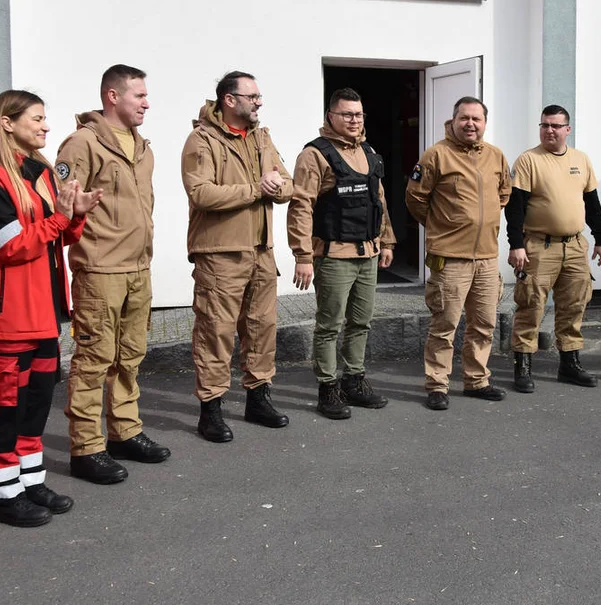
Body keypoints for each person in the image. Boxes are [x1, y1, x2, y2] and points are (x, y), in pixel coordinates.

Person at [0, 90, 103, 526]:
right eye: (37, 119)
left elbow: (56, 239)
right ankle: (2, 497)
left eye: (46, 119)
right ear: (8, 123)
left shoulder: (39, 172)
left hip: (43, 314)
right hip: (8, 321)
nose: (45, 127)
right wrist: (61, 218)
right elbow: (12, 246)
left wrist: (74, 215)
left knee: (36, 404)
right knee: (6, 408)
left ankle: (29, 480)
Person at [55, 65, 169, 485]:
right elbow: (62, 204)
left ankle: (125, 432)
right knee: (94, 360)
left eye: (145, 95)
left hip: (138, 268)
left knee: (130, 356)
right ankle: (86, 448)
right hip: (100, 269)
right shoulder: (82, 144)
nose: (146, 103)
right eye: (138, 95)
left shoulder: (143, 148)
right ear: (112, 96)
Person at [181, 71, 293, 442]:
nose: (259, 102)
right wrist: (255, 189)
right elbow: (201, 194)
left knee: (262, 329)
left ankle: (257, 399)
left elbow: (287, 183)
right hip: (220, 254)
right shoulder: (202, 139)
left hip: (261, 251)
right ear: (230, 100)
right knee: (216, 332)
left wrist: (277, 189)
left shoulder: (262, 137)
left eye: (259, 95)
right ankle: (210, 410)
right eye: (253, 96)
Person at [288, 88, 396, 420]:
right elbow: (301, 205)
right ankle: (328, 388)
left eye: (358, 114)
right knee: (329, 325)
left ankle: (354, 380)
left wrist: (387, 241)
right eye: (347, 114)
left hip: (369, 254)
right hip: (333, 255)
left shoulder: (369, 151)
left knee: (361, 322)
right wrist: (303, 255)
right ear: (330, 116)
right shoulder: (314, 154)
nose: (353, 120)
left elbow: (379, 200)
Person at [406, 96, 512, 411]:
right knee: (445, 324)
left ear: (484, 123)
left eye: (476, 119)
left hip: (486, 258)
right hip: (450, 259)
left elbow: (503, 192)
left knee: (484, 323)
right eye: (464, 118)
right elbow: (415, 199)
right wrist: (443, 226)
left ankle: (476, 380)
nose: (470, 124)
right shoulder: (436, 155)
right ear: (453, 120)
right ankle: (437, 385)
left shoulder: (496, 156)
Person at [506, 104, 601, 392]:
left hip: (575, 245)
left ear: (567, 129)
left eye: (555, 125)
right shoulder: (528, 160)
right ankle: (522, 367)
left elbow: (592, 202)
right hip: (539, 246)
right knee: (531, 306)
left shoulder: (581, 160)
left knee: (574, 305)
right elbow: (515, 208)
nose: (549, 130)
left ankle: (569, 364)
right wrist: (516, 245)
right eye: (544, 125)